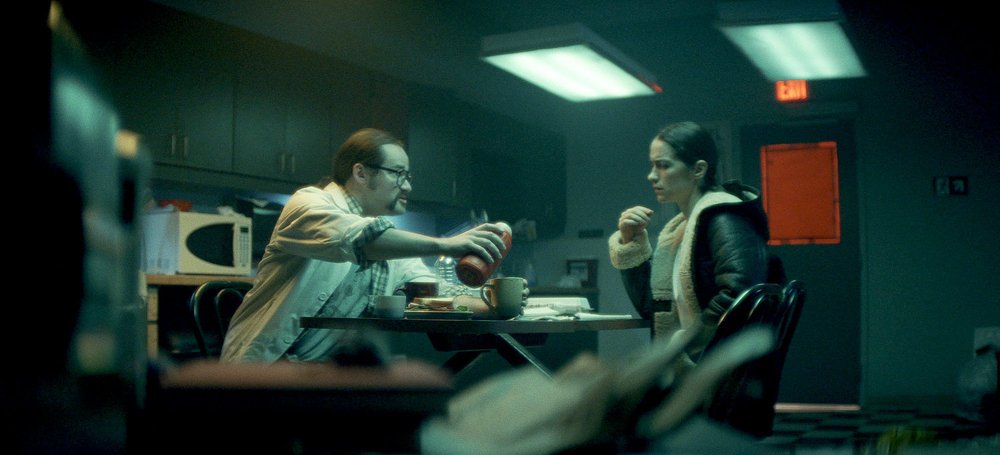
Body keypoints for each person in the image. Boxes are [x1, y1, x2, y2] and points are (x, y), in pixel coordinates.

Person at [221, 128, 510, 363]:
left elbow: (436, 295)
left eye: (408, 176)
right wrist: (446, 245)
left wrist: (496, 304)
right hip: (265, 367)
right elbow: (359, 239)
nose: (407, 186)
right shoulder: (308, 204)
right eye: (398, 173)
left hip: (325, 376)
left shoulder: (393, 246)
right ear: (361, 173)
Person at [608, 121, 784, 369]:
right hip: (701, 365)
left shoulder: (724, 217)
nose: (652, 175)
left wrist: (686, 346)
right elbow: (654, 308)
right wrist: (631, 241)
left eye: (663, 165)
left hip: (718, 371)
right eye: (652, 165)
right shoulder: (682, 228)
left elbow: (740, 296)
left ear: (698, 169)